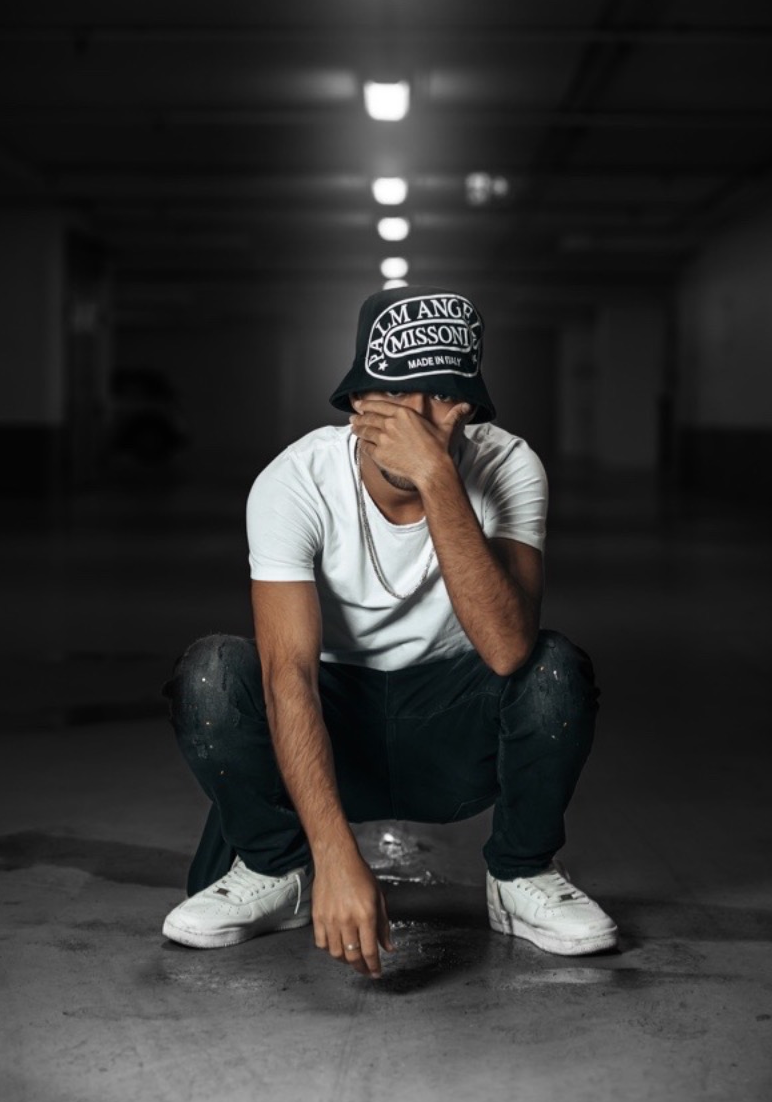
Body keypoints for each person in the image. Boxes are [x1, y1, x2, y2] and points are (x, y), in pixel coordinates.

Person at [161, 285, 617, 979]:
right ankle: (278, 869)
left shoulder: (508, 465)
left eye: (443, 396)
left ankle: (521, 875)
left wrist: (438, 478)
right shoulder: (295, 480)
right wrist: (333, 856)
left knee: (553, 666)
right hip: (336, 726)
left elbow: (507, 650)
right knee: (213, 673)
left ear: (470, 409)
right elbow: (289, 676)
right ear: (356, 403)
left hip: (454, 729)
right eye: (399, 394)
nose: (420, 419)